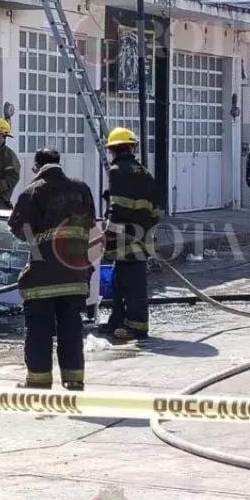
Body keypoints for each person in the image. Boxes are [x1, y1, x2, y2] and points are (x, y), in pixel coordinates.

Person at [7, 148, 96, 391]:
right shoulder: (82, 189)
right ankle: (74, 378)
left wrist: (36, 246)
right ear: (59, 164)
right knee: (71, 327)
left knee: (39, 328)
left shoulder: (32, 192)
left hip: (42, 277)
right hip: (75, 273)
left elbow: (17, 227)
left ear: (36, 167)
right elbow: (90, 224)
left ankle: (38, 381)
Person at [98, 127, 161, 342]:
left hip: (125, 239)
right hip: (142, 237)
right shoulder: (144, 172)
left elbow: (119, 208)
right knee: (119, 281)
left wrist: (108, 233)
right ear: (132, 147)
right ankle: (117, 321)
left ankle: (137, 326)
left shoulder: (117, 171)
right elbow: (156, 210)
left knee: (132, 284)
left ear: (113, 150)